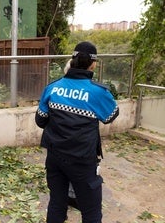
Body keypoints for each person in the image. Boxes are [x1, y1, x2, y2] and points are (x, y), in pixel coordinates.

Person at [35, 41, 119, 223]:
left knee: (57, 203)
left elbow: (40, 121)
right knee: (91, 212)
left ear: (72, 61)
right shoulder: (98, 92)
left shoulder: (52, 88)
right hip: (82, 161)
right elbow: (111, 115)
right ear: (93, 64)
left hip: (55, 158)